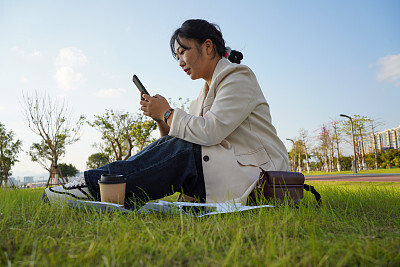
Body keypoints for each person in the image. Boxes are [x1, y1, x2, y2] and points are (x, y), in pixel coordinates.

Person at [43, 19, 289, 205]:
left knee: (184, 149)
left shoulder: (238, 76)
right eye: (177, 56)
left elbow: (210, 133)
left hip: (258, 173)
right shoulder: (202, 95)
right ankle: (98, 186)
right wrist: (162, 118)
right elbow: (175, 146)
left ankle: (92, 187)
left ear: (207, 46)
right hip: (226, 168)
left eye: (183, 51)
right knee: (179, 146)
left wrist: (168, 112)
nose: (180, 61)